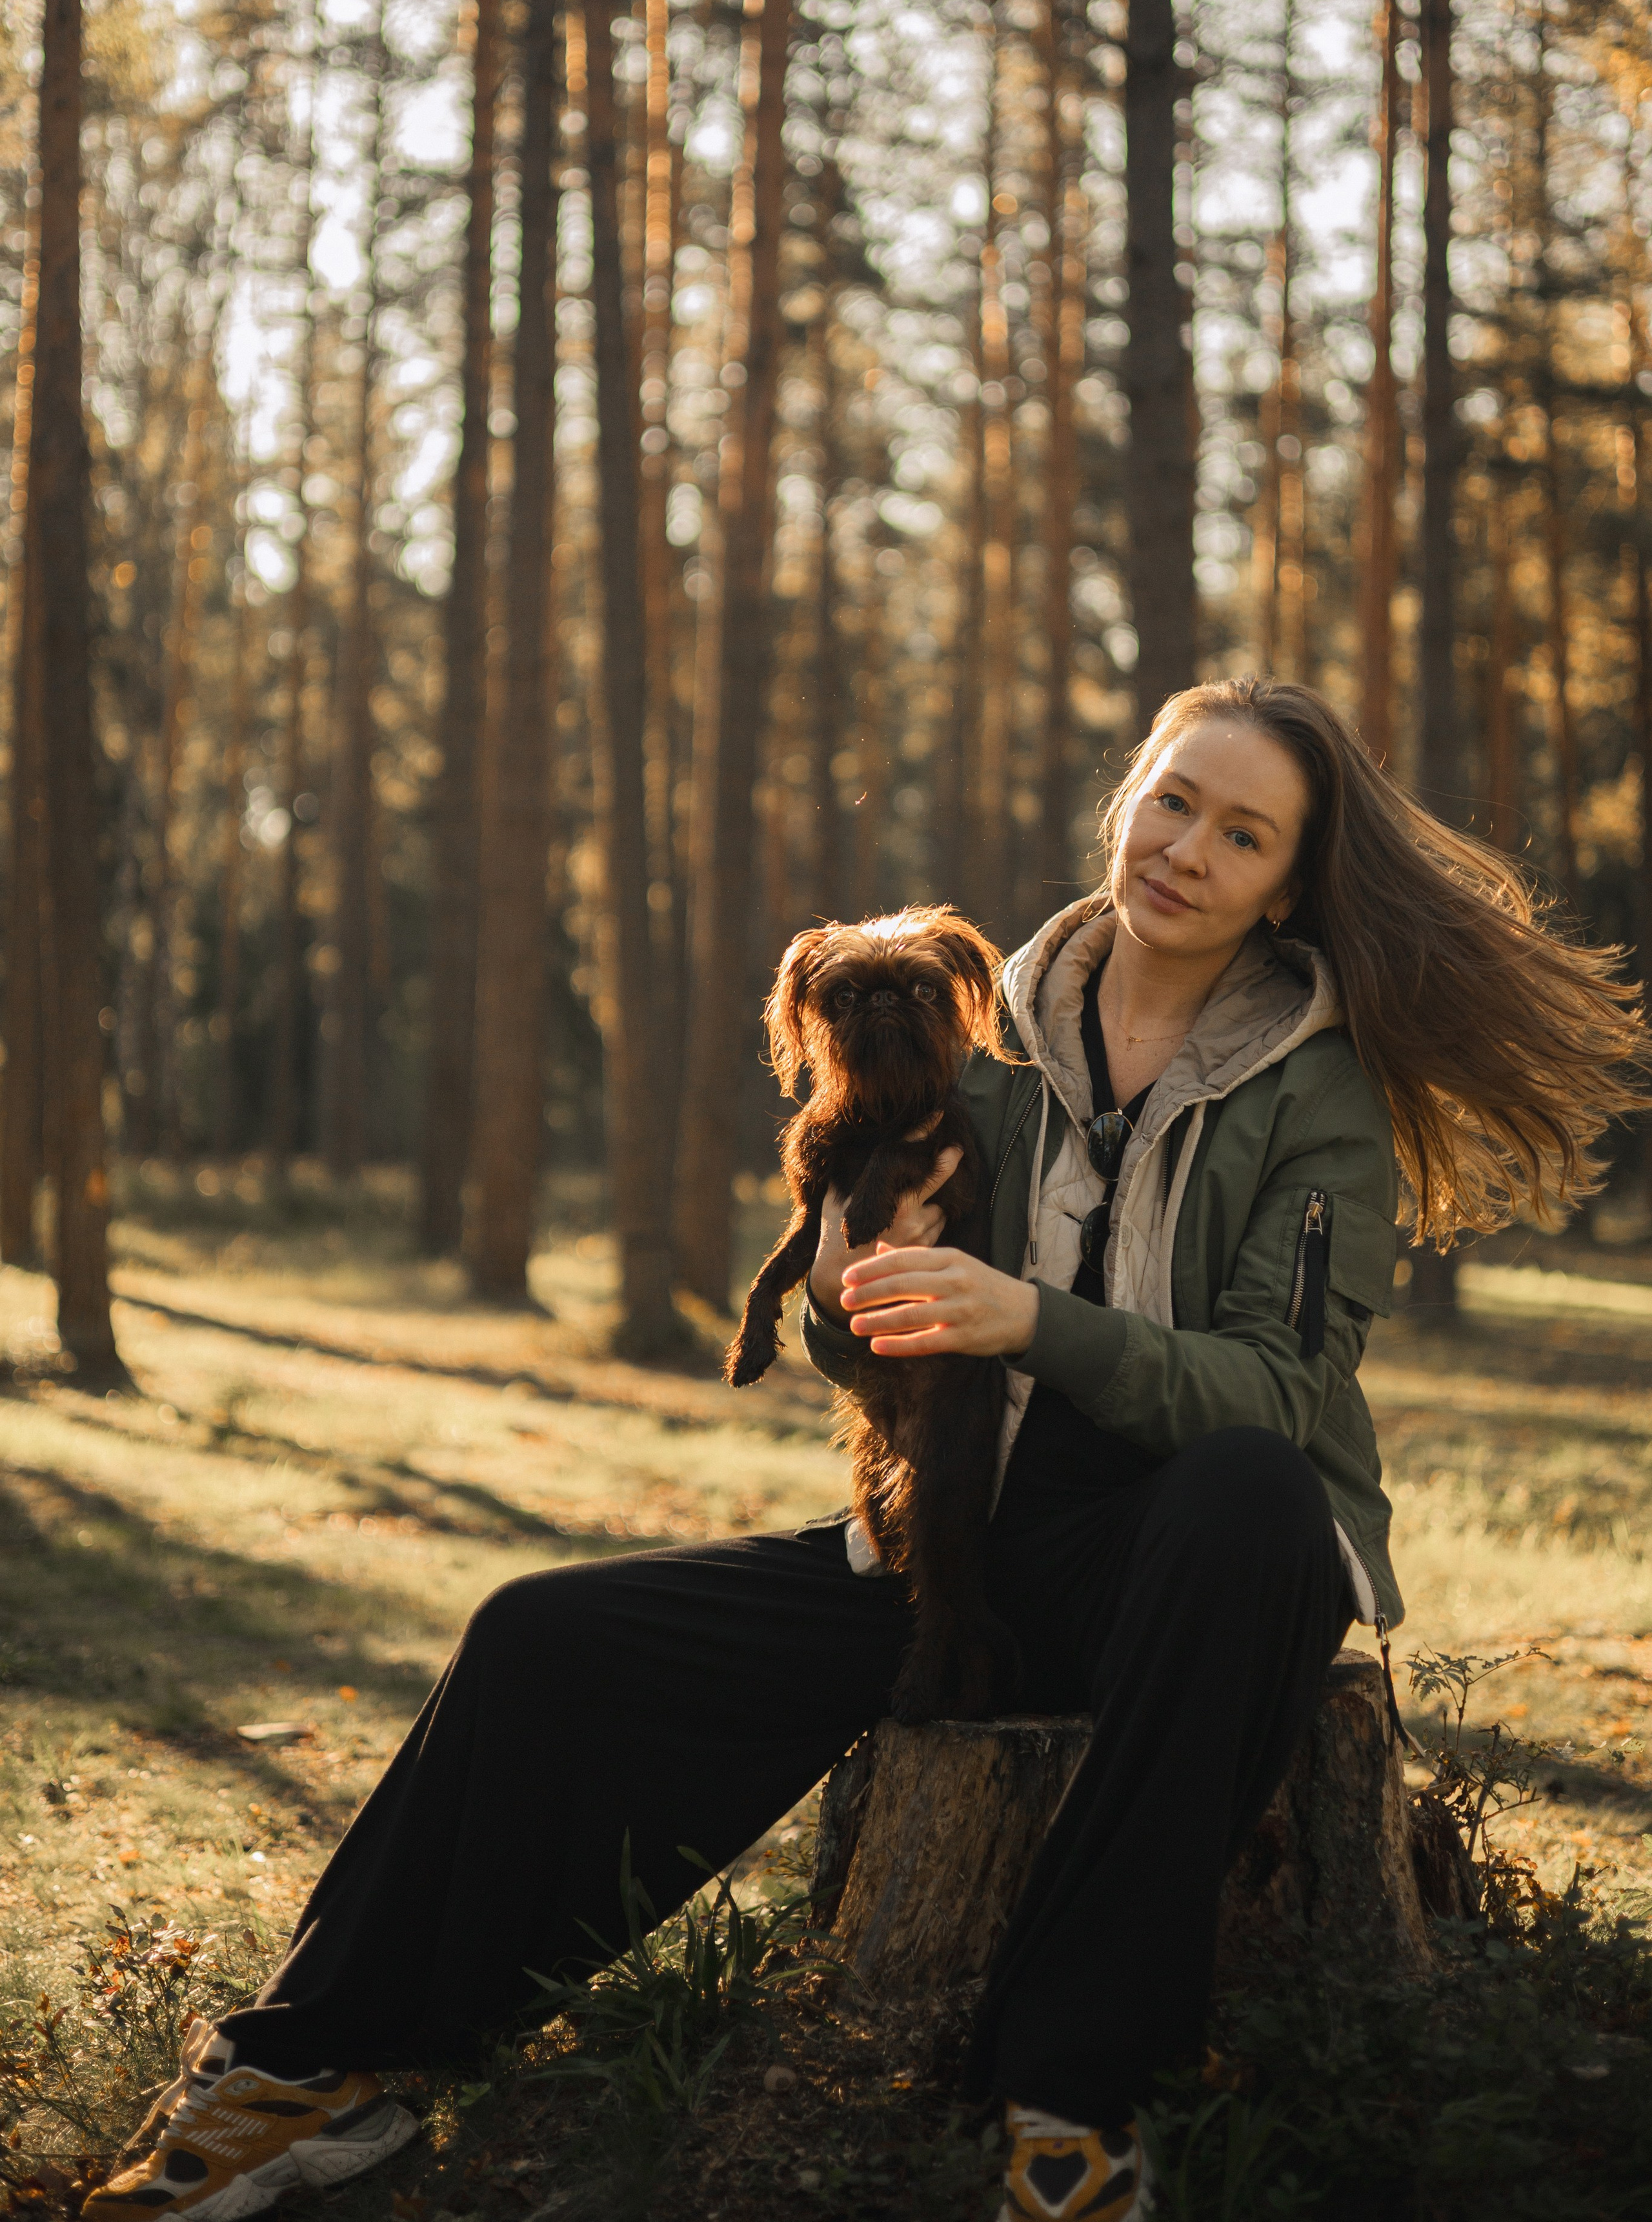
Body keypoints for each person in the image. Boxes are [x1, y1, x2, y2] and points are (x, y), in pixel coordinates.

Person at [88, 680, 1644, 2222]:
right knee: (536, 1637)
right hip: (961, 1538)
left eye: (1238, 835)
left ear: (1285, 886)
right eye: (1171, 799)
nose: (1182, 848)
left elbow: (1277, 1398)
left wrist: (1026, 1319)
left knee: (1252, 1503)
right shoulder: (983, 1049)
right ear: (1126, 796)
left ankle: (1068, 2109)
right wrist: (846, 1299)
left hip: (1187, 1570)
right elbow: (882, 1343)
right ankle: (319, 2073)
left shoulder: (1318, 1095)